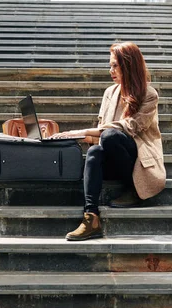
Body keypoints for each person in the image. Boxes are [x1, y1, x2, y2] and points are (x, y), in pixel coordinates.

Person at [50, 42, 166, 241]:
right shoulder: (109, 93)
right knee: (95, 152)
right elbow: (99, 134)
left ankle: (135, 190)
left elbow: (129, 127)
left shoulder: (149, 94)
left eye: (115, 65)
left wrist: (84, 130)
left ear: (128, 65)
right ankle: (91, 217)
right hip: (114, 157)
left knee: (111, 136)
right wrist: (70, 136)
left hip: (138, 161)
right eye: (110, 65)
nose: (110, 70)